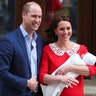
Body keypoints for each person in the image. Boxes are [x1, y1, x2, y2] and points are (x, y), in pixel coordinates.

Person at [39, 14, 96, 96]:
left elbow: (92, 70)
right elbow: (42, 77)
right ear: (55, 31)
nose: (66, 32)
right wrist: (61, 78)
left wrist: (70, 68)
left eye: (68, 28)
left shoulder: (81, 49)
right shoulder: (47, 50)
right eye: (62, 29)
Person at [0, 1, 44, 96]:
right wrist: (26, 83)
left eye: (39, 17)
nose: (37, 20)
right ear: (24, 15)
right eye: (34, 16)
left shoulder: (40, 41)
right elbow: (2, 72)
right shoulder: (8, 41)